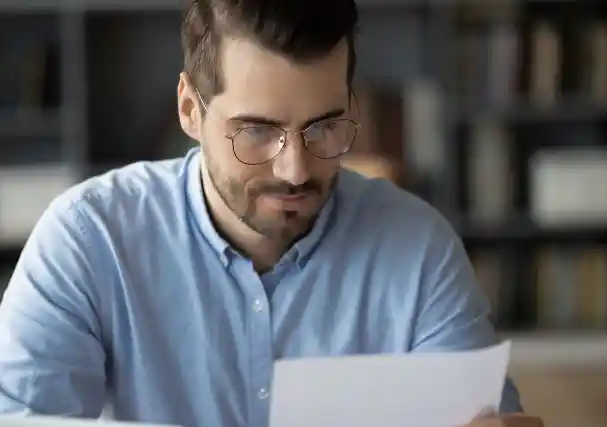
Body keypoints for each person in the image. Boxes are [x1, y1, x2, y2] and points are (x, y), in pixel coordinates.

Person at [0, 1, 543, 426]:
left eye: (324, 126)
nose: (294, 170)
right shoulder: (87, 239)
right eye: (257, 131)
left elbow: (485, 417)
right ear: (190, 109)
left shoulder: (420, 248)